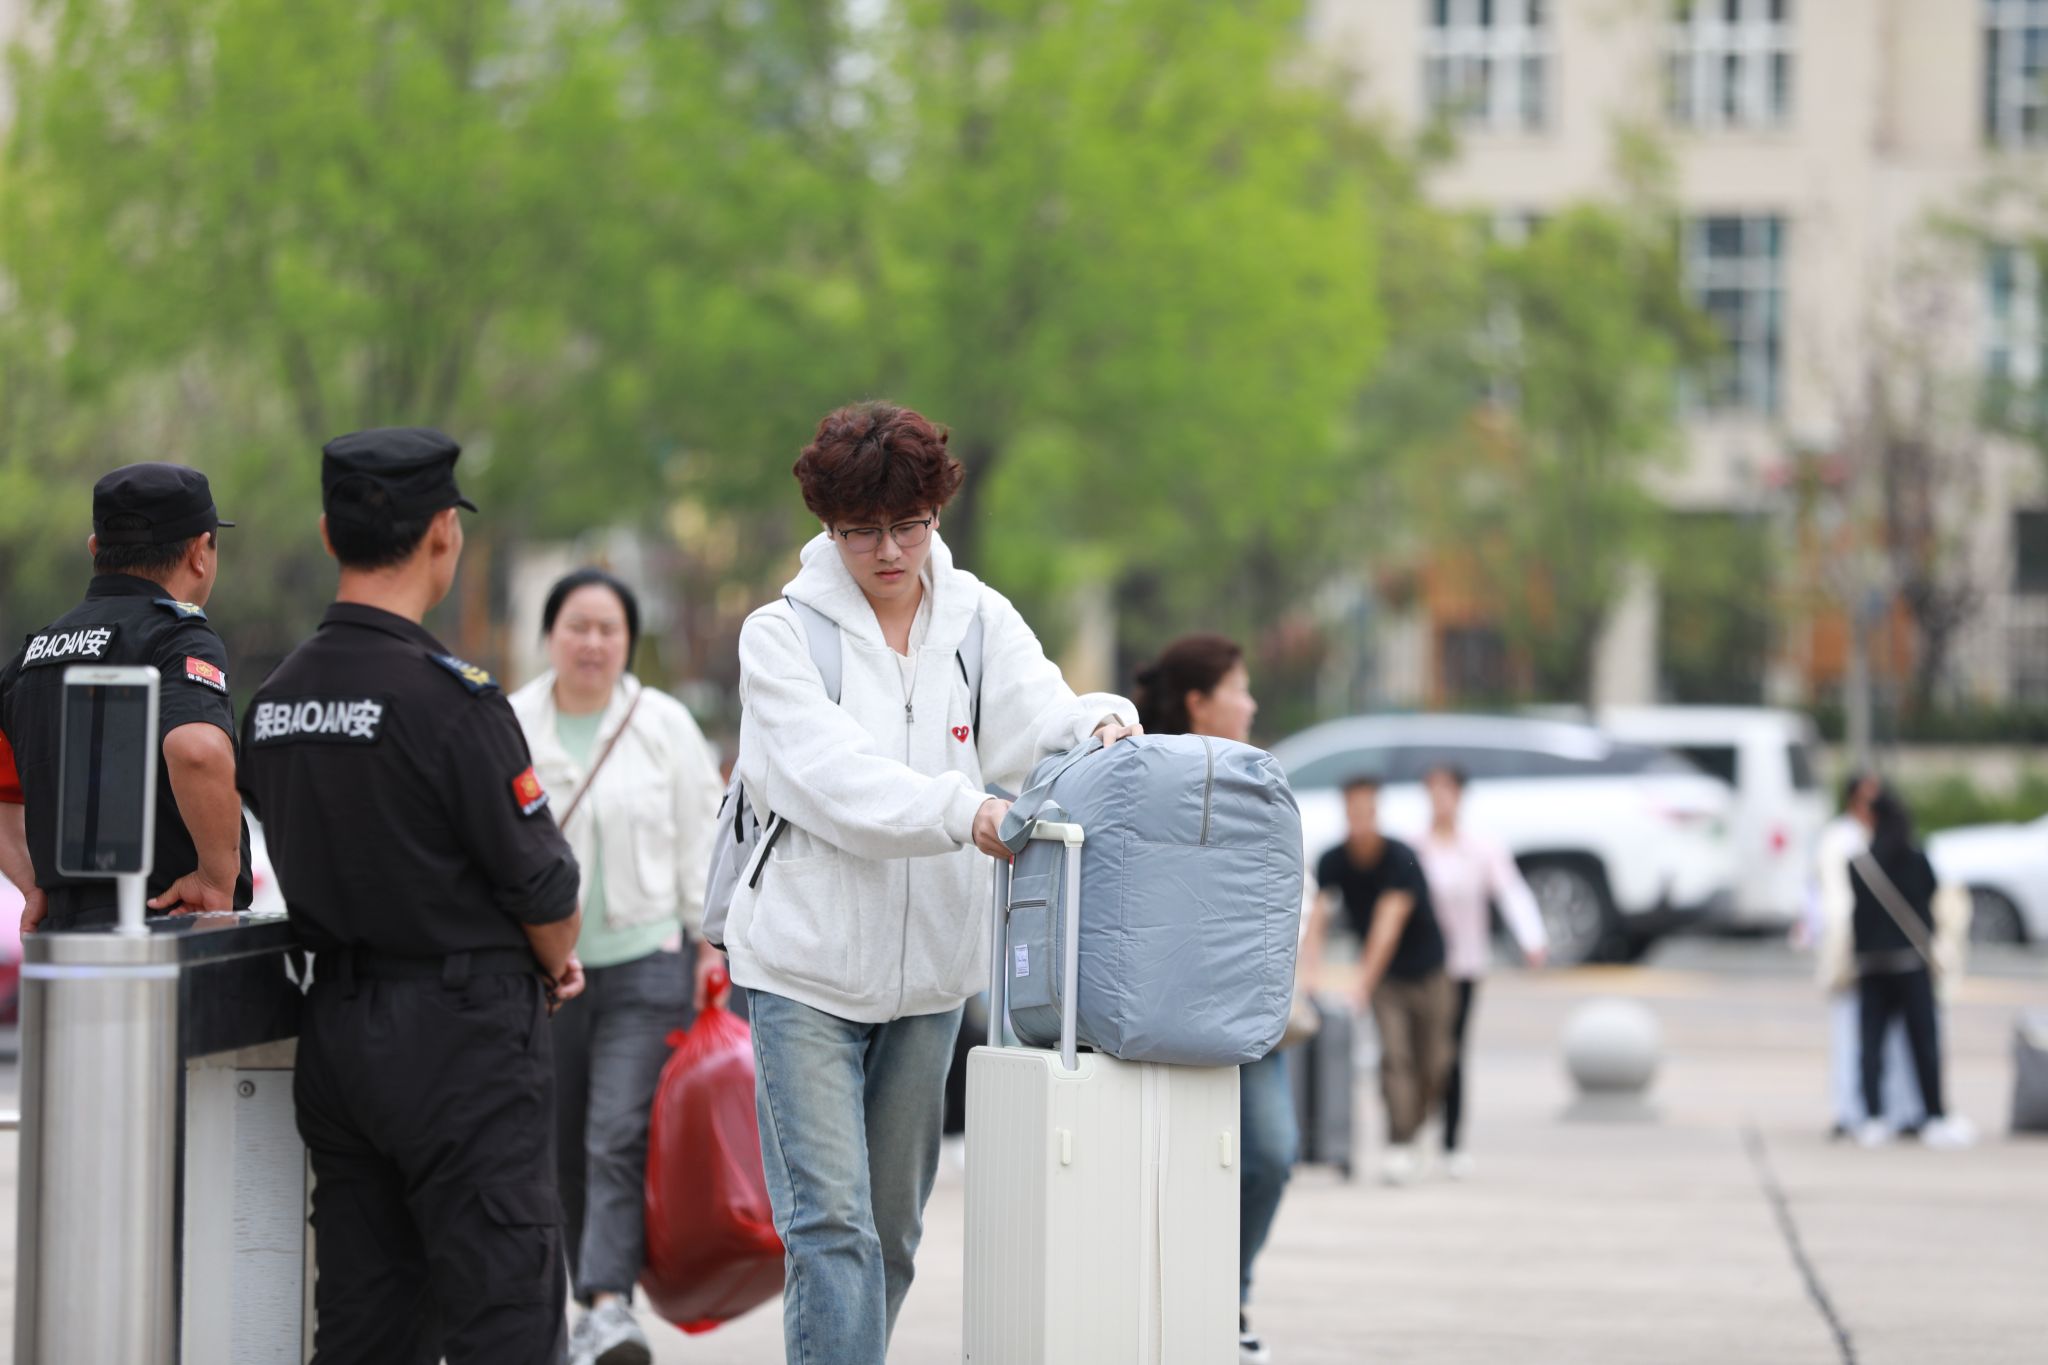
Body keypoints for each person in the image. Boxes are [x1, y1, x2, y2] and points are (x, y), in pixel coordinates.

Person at [725, 401, 1140, 1364]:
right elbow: (834, 782)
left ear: (937, 512)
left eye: (907, 525)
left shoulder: (976, 618)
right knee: (832, 1230)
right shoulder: (780, 636)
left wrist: (1100, 722)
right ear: (828, 524)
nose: (887, 551)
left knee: (890, 1232)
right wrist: (968, 811)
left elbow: (1039, 714)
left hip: (931, 979)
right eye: (861, 530)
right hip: (801, 972)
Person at [236, 427, 586, 1365]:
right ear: (443, 532)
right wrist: (556, 961)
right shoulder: (453, 701)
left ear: (328, 534)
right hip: (464, 1043)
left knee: (365, 1326)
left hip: (340, 1037)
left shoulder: (275, 702)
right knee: (504, 1319)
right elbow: (545, 890)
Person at [510, 567, 724, 1365]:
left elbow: (703, 836)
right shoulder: (510, 721)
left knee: (616, 1134)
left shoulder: (663, 724)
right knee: (560, 1142)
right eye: (578, 626)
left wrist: (709, 941)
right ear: (550, 634)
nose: (593, 642)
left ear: (629, 640)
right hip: (546, 972)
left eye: (609, 628)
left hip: (646, 964)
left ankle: (607, 1303)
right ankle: (582, 1297)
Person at [0, 463, 251, 930]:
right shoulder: (178, 638)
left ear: (95, 549)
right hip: (168, 930)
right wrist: (216, 881)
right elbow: (197, 751)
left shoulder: (32, 655)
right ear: (200, 552)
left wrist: (35, 886)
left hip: (63, 941)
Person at [1132, 633, 1288, 1365]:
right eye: (1239, 689)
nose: (1250, 703)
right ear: (1199, 703)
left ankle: (1229, 1295)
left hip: (1249, 1004)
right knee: (1165, 1167)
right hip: (1163, 1006)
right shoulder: (1142, 773)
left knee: (1269, 1153)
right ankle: (1175, 1308)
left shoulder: (1257, 776)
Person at [1300, 776, 1454, 1187]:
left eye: (1367, 812)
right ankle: (1399, 1142)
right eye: (1353, 812)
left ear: (1377, 812)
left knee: (1435, 1062)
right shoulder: (1333, 860)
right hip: (1387, 981)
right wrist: (1310, 975)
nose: (1360, 821)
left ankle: (1416, 1128)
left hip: (1429, 970)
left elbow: (1388, 926)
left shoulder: (1399, 857)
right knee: (1395, 1056)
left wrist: (1359, 983)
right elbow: (1316, 918)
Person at [1416, 763, 1547, 1179]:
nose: (1441, 800)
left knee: (1451, 1053)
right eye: (1434, 791)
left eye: (1447, 790)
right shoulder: (1415, 847)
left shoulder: (1481, 848)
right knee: (1419, 1053)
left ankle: (1452, 1142)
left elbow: (1511, 891)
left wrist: (1532, 937)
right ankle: (1410, 1134)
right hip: (1420, 967)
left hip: (1463, 966)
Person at [1847, 789, 1976, 1151]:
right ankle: (1934, 1115)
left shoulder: (1859, 864)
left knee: (1871, 1044)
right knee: (1924, 1044)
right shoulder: (1917, 860)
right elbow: (1931, 898)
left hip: (1871, 966)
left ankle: (1873, 1117)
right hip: (1910, 963)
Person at [1809, 772, 1923, 1137]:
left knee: (1893, 1040)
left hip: (1882, 950)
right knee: (1852, 1036)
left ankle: (1899, 1111)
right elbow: (1831, 902)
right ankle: (1850, 1111)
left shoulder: (1890, 836)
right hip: (1853, 950)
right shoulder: (1839, 839)